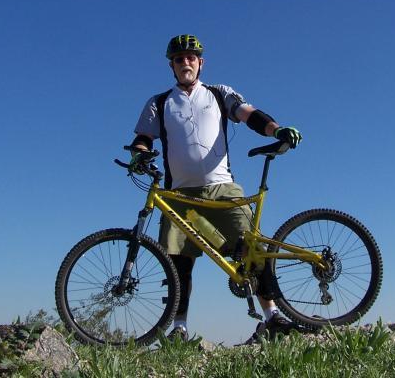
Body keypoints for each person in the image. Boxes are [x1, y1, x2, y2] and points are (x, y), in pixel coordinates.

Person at [128, 34, 303, 344]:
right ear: (171, 65)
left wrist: (277, 129)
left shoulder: (219, 94)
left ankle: (273, 316)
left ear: (200, 63)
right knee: (177, 263)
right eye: (179, 59)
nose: (185, 62)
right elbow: (144, 137)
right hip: (179, 195)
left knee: (252, 250)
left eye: (190, 58)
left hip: (222, 188)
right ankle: (179, 328)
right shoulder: (159, 102)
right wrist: (139, 153)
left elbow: (249, 114)